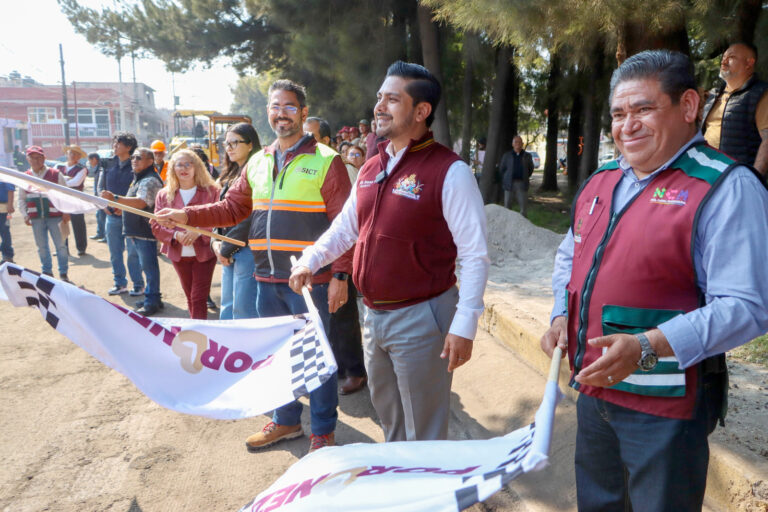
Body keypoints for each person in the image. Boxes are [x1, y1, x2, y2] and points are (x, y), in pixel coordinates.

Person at [539, 50, 768, 512]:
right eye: (619, 114)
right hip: (595, 392)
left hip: (666, 406)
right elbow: (571, 254)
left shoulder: (726, 186)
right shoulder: (601, 180)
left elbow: (747, 306)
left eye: (644, 109)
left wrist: (647, 346)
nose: (628, 125)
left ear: (688, 107)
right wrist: (561, 314)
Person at [289, 61, 489, 442]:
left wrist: (465, 325)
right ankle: (401, 486)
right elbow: (346, 229)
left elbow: (474, 254)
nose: (379, 106)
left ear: (421, 111)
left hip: (423, 316)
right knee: (390, 419)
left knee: (424, 429)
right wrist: (311, 260)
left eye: (392, 99)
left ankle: (429, 497)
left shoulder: (450, 171)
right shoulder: (370, 167)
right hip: (374, 315)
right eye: (379, 97)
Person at [155, 79, 352, 454]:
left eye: (290, 107)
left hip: (312, 281)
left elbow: (345, 226)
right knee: (277, 358)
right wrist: (187, 214)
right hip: (266, 278)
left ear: (303, 113)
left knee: (318, 358)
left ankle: (323, 430)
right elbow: (231, 208)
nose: (282, 113)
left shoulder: (327, 161)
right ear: (268, 113)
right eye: (275, 106)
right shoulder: (258, 162)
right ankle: (286, 420)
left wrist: (341, 275)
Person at [152, 150, 219, 319]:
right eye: (179, 164)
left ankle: (199, 335)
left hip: (204, 253)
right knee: (190, 296)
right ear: (173, 169)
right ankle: (196, 334)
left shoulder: (211, 192)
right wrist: (175, 235)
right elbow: (155, 224)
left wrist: (199, 231)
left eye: (188, 164)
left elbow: (219, 219)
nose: (184, 168)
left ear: (197, 167)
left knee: (198, 298)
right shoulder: (164, 194)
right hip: (179, 255)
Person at [101, 148, 164, 316]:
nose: (134, 160)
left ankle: (152, 301)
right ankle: (153, 297)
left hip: (145, 231)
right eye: (133, 158)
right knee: (146, 266)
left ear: (150, 161)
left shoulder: (149, 180)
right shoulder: (140, 178)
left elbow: (142, 202)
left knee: (149, 267)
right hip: (137, 230)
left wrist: (115, 198)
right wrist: (121, 206)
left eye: (139, 158)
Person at [213, 122, 260, 320]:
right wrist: (215, 241)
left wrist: (225, 248)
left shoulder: (258, 172)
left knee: (243, 310)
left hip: (245, 249)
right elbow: (220, 211)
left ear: (250, 145)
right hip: (227, 248)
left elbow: (250, 215)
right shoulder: (230, 174)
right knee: (227, 307)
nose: (229, 148)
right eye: (226, 144)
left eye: (235, 143)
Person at [701, 42, 768, 176]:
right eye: (724, 57)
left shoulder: (761, 93)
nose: (724, 61)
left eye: (731, 57)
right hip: (706, 174)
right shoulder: (713, 95)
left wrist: (754, 178)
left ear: (749, 63)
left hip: (738, 177)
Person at [99, 132, 144, 296]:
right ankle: (119, 283)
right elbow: (100, 187)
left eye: (118, 144)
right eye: (114, 143)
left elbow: (139, 190)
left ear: (129, 147)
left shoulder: (137, 165)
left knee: (133, 253)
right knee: (115, 252)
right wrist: (103, 204)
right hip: (111, 215)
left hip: (130, 216)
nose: (115, 146)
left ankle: (138, 284)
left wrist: (124, 206)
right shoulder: (108, 164)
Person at [17, 146, 70, 281]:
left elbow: (66, 194)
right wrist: (25, 214)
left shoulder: (55, 174)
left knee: (61, 246)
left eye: (39, 157)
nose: (36, 160)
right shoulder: (25, 177)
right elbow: (21, 199)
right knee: (41, 247)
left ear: (44, 158)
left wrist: (66, 212)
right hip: (36, 218)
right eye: (33, 158)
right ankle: (47, 273)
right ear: (28, 159)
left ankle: (63, 273)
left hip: (56, 216)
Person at [62, 145, 89, 256]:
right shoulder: (58, 166)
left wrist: (62, 181)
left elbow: (76, 183)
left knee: (78, 223)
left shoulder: (82, 169)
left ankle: (81, 247)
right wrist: (67, 180)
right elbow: (52, 180)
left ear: (79, 156)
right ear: (67, 154)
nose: (73, 155)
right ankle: (63, 247)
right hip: (61, 199)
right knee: (61, 223)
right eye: (71, 153)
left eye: (76, 153)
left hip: (76, 199)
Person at [498, 135, 534, 217]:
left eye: (520, 142)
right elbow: (502, 169)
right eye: (516, 142)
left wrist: (525, 176)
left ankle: (524, 223)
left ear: (522, 144)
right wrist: (505, 178)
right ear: (512, 144)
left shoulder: (527, 156)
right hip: (509, 183)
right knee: (507, 206)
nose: (518, 144)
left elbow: (530, 169)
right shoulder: (507, 155)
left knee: (523, 207)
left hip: (521, 183)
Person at [87, 152, 107, 242]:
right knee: (99, 215)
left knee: (103, 217)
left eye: (90, 160)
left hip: (101, 197)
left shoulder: (101, 169)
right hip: (97, 197)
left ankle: (106, 236)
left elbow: (101, 185)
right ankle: (100, 233)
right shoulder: (97, 168)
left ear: (94, 159)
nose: (89, 162)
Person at [0, 180, 15, 264]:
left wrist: (10, 205)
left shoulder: (3, 172)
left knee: (4, 231)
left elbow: (10, 189)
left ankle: (7, 256)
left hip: (3, 209)